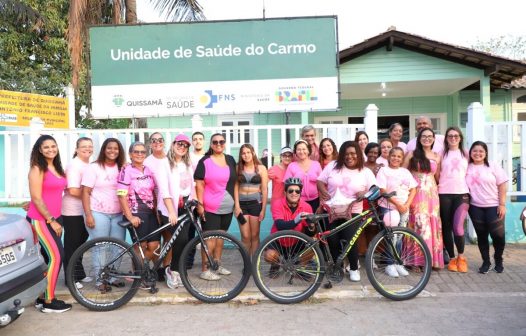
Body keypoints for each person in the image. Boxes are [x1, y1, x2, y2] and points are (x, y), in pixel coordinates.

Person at [317, 141, 376, 282]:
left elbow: (375, 189)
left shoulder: (365, 171)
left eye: (353, 153)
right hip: (332, 210)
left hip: (354, 211)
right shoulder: (332, 166)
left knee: (351, 240)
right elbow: (319, 181)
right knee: (333, 240)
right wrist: (324, 191)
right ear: (342, 155)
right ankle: (339, 267)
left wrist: (365, 192)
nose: (349, 156)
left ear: (358, 154)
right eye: (346, 154)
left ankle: (354, 268)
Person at [27, 135, 71, 313]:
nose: (51, 149)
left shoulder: (57, 167)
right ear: (39, 149)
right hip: (42, 220)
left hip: (55, 217)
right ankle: (49, 302)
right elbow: (37, 197)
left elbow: (51, 192)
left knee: (47, 259)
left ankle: (41, 297)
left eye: (53, 146)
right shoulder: (37, 168)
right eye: (46, 147)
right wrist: (51, 220)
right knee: (56, 257)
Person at [82, 138, 126, 292]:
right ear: (104, 150)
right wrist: (88, 214)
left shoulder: (122, 168)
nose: (112, 151)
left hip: (118, 213)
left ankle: (113, 277)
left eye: (116, 148)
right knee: (100, 246)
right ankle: (100, 280)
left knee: (118, 247)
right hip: (97, 212)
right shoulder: (94, 167)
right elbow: (85, 192)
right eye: (109, 148)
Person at [194, 133, 237, 281]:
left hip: (227, 207)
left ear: (225, 143)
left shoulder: (230, 159)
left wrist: (236, 205)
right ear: (211, 145)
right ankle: (205, 269)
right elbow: (199, 183)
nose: (219, 144)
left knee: (220, 236)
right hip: (210, 207)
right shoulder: (205, 161)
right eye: (215, 142)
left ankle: (216, 265)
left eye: (221, 141)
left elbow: (234, 183)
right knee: (210, 238)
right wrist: (200, 205)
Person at [156, 134, 194, 289]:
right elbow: (164, 190)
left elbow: (192, 185)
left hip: (185, 205)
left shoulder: (188, 164)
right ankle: (167, 269)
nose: (182, 147)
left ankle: (174, 270)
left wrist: (194, 202)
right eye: (180, 144)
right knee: (177, 238)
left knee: (183, 240)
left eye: (185, 145)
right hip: (168, 207)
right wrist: (172, 212)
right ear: (173, 144)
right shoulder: (164, 163)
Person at [117, 142, 159, 281]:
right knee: (140, 246)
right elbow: (121, 195)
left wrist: (157, 211)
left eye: (142, 152)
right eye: (136, 152)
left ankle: (136, 270)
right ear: (130, 154)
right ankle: (139, 276)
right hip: (135, 212)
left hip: (150, 212)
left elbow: (153, 191)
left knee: (154, 245)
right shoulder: (126, 170)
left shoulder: (148, 169)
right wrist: (130, 217)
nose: (139, 154)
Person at [404, 128, 444, 270]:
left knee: (432, 224)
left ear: (433, 139)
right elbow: (403, 173)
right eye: (424, 136)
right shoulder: (411, 154)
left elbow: (437, 177)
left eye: (430, 136)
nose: (427, 139)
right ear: (419, 139)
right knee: (418, 223)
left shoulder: (437, 156)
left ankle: (432, 260)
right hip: (416, 192)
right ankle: (416, 261)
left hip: (432, 195)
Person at [466, 141, 508, 274]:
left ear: (485, 153)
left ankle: (498, 258)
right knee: (482, 236)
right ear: (470, 153)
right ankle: (486, 261)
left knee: (498, 235)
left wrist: (502, 204)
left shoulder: (493, 166)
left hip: (494, 206)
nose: (477, 153)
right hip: (475, 207)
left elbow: (502, 185)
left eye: (481, 151)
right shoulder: (467, 167)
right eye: (474, 151)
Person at [265, 177, 315, 278]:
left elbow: (310, 233)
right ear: (285, 192)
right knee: (269, 255)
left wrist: (311, 226)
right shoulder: (277, 204)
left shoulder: (306, 206)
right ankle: (276, 264)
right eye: (290, 191)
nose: (294, 193)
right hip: (279, 241)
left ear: (300, 192)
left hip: (296, 242)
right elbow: (280, 226)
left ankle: (298, 268)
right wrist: (297, 220)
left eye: (297, 191)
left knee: (313, 245)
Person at [62, 137, 93, 290]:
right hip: (72, 211)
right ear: (76, 149)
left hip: (84, 211)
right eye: (83, 146)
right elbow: (73, 190)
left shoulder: (89, 165)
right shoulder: (74, 165)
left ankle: (79, 273)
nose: (87, 149)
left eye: (90, 146)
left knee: (81, 243)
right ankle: (70, 278)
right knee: (72, 245)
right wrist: (93, 195)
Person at [438, 127, 470, 273]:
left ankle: (461, 257)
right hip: (444, 193)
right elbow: (437, 173)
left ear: (460, 137)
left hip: (462, 194)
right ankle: (451, 258)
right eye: (450, 136)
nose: (453, 138)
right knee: (446, 226)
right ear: (446, 138)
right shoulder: (441, 154)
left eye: (456, 135)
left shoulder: (466, 153)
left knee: (458, 226)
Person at [234, 144, 268, 255]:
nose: (246, 155)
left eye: (248, 152)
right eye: (243, 153)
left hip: (255, 205)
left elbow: (264, 190)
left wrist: (263, 210)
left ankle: (254, 263)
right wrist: (237, 206)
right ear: (241, 155)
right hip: (242, 206)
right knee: (245, 236)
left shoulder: (261, 168)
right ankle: (247, 263)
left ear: (253, 153)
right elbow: (235, 187)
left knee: (254, 235)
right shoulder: (238, 167)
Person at [144, 132, 169, 281]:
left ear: (164, 142)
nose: (157, 142)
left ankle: (165, 268)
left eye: (160, 140)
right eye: (154, 140)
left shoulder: (169, 159)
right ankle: (149, 267)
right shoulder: (147, 161)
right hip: (152, 205)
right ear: (150, 144)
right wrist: (154, 207)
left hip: (168, 204)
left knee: (168, 239)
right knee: (153, 241)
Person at [284, 139, 323, 214]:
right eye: (299, 149)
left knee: (314, 224)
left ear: (308, 150)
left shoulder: (316, 164)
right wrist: (289, 204)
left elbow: (321, 186)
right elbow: (286, 186)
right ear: (295, 152)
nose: (301, 152)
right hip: (297, 202)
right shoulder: (292, 166)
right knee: (300, 224)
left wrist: (321, 205)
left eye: (304, 149)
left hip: (315, 201)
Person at [186, 131, 206, 269]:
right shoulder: (188, 157)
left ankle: (207, 262)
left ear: (204, 141)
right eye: (195, 139)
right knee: (190, 232)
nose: (198, 141)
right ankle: (188, 261)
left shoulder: (208, 157)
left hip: (207, 198)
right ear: (192, 142)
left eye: (200, 139)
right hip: (192, 198)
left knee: (206, 231)